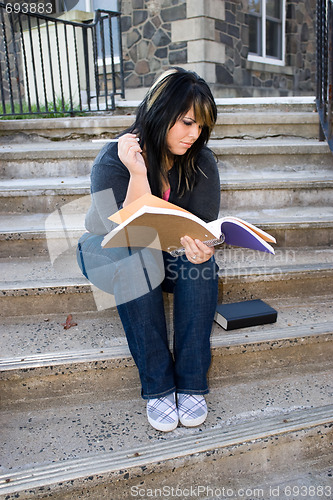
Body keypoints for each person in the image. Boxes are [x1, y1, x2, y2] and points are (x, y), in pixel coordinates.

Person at [77, 67, 220, 432]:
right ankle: (158, 387)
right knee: (135, 254)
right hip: (108, 249)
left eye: (201, 126)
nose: (194, 134)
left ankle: (190, 382)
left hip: (165, 251)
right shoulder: (114, 158)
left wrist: (201, 248)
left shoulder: (201, 162)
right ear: (161, 112)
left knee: (201, 265)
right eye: (187, 122)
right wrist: (138, 175)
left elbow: (199, 227)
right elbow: (115, 231)